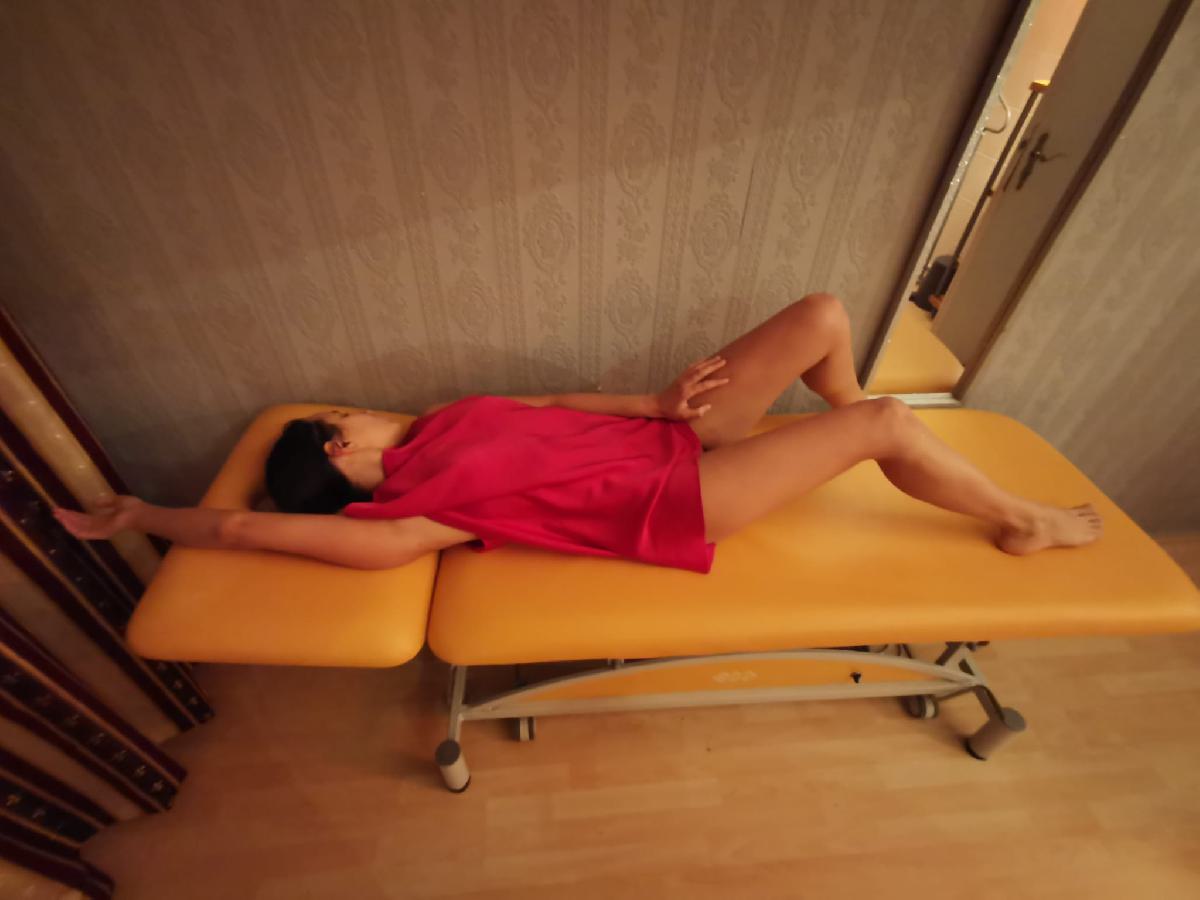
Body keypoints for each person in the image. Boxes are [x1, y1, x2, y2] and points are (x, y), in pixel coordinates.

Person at [54, 294, 1102, 572]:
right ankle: (1021, 520)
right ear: (339, 450)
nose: (360, 406)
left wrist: (657, 404)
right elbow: (241, 531)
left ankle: (858, 447)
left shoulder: (441, 422)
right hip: (680, 500)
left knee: (823, 316)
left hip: (673, 440)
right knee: (885, 418)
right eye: (344, 415)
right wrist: (142, 514)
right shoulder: (413, 515)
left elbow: (553, 407)